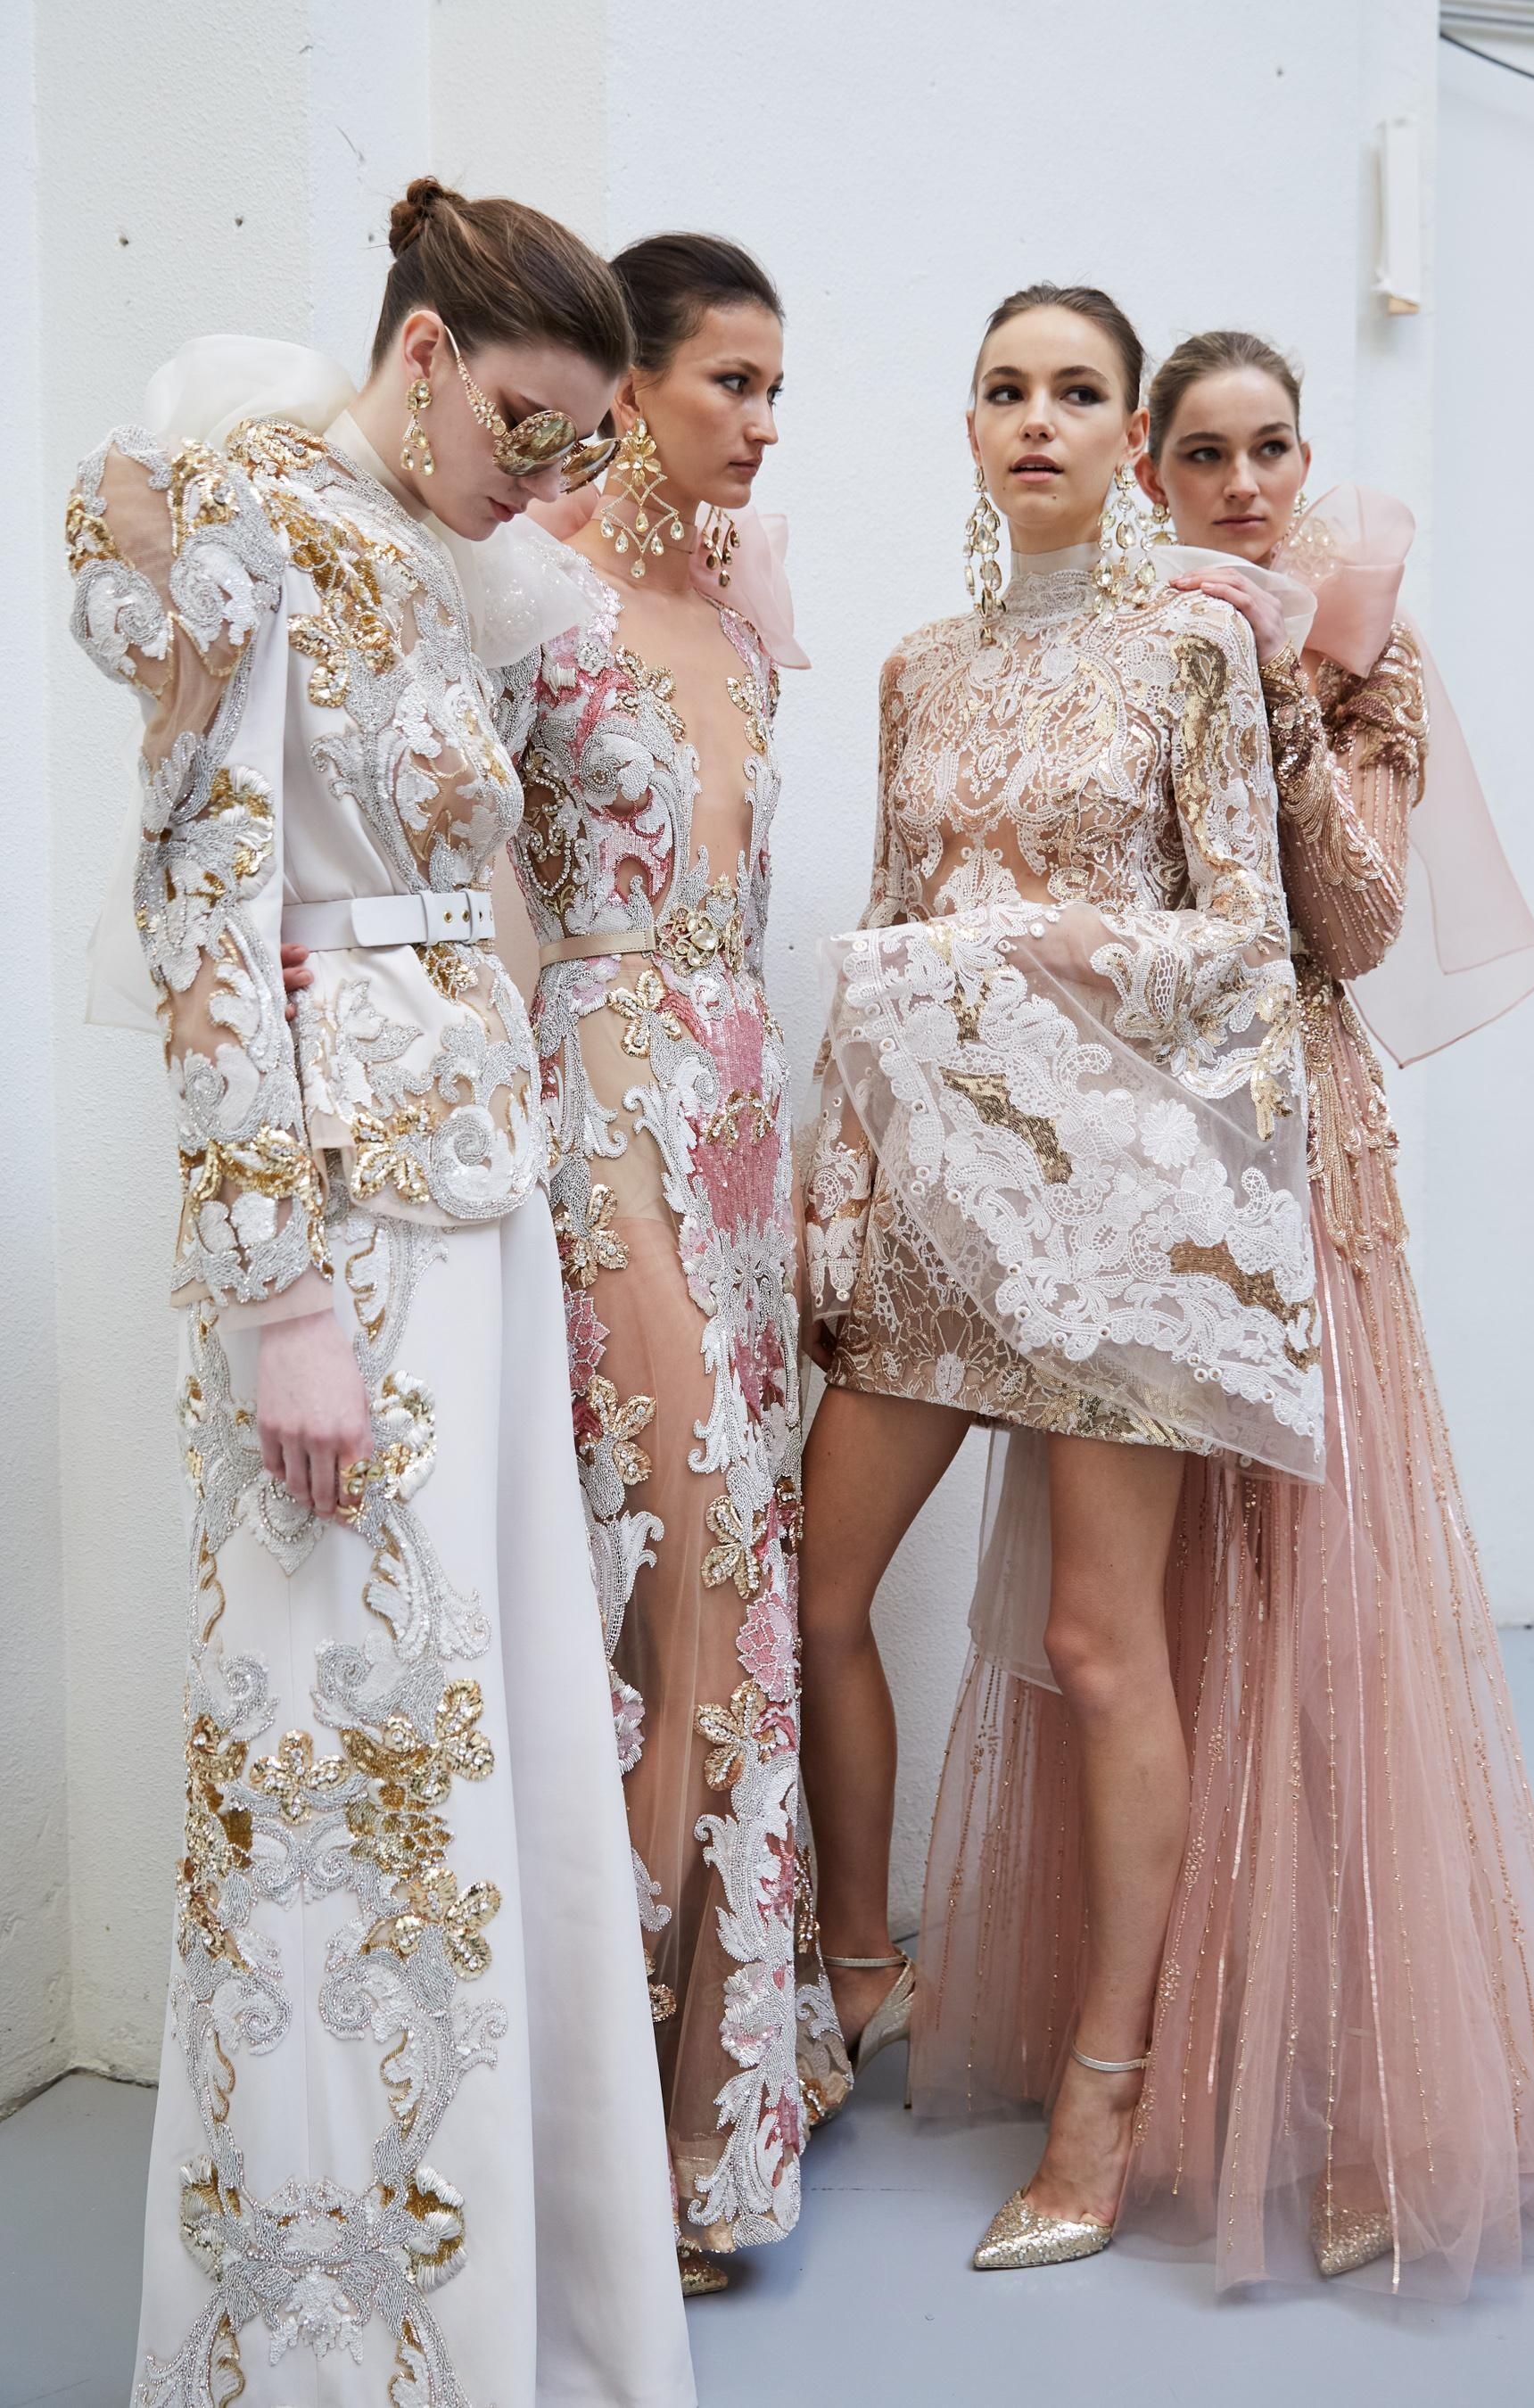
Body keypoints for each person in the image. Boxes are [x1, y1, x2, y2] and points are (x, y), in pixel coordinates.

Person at [69, 177, 694, 2403]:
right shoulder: (240, 520)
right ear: (423, 349)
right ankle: (338, 2347)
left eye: (576, 441)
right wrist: (282, 1304)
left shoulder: (440, 564)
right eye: (522, 422)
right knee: (338, 1760)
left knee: (483, 1746)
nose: (541, 473)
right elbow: (202, 919)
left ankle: (522, 2320)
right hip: (336, 1243)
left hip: (476, 1210)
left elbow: (597, 853)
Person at [917, 327, 1534, 2295]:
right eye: (1204, 455)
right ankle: (1165, 2044)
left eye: (1271, 450)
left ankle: (1367, 2078)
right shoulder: (1135, 643)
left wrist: (1289, 689)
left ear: (1306, 463)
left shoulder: (1360, 654)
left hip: (1297, 1149)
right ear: (1152, 475)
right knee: (1143, 1616)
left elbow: (1357, 926)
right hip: (1140, 1156)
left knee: (1317, 1603)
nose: (1239, 486)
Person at [800, 284, 1322, 2272]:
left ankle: (1104, 2088)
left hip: (1112, 1209)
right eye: (1005, 390)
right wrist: (845, 1179)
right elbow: (881, 930)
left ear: (1128, 442)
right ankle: (865, 1967)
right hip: (938, 1205)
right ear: (970, 433)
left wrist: (1028, 951)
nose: (1038, 419)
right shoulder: (916, 671)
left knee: (1105, 1648)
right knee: (812, 1591)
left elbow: (1249, 946)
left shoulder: (1187, 651)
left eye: (1077, 392)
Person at [507, 233, 850, 2295]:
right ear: (626, 389)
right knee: (682, 1580)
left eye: (777, 387)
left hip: (733, 1110)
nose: (764, 422)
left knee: (736, 1581)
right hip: (600, 1106)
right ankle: (623, 2119)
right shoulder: (527, 597)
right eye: (734, 381)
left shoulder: (737, 608)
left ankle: (737, 2065)